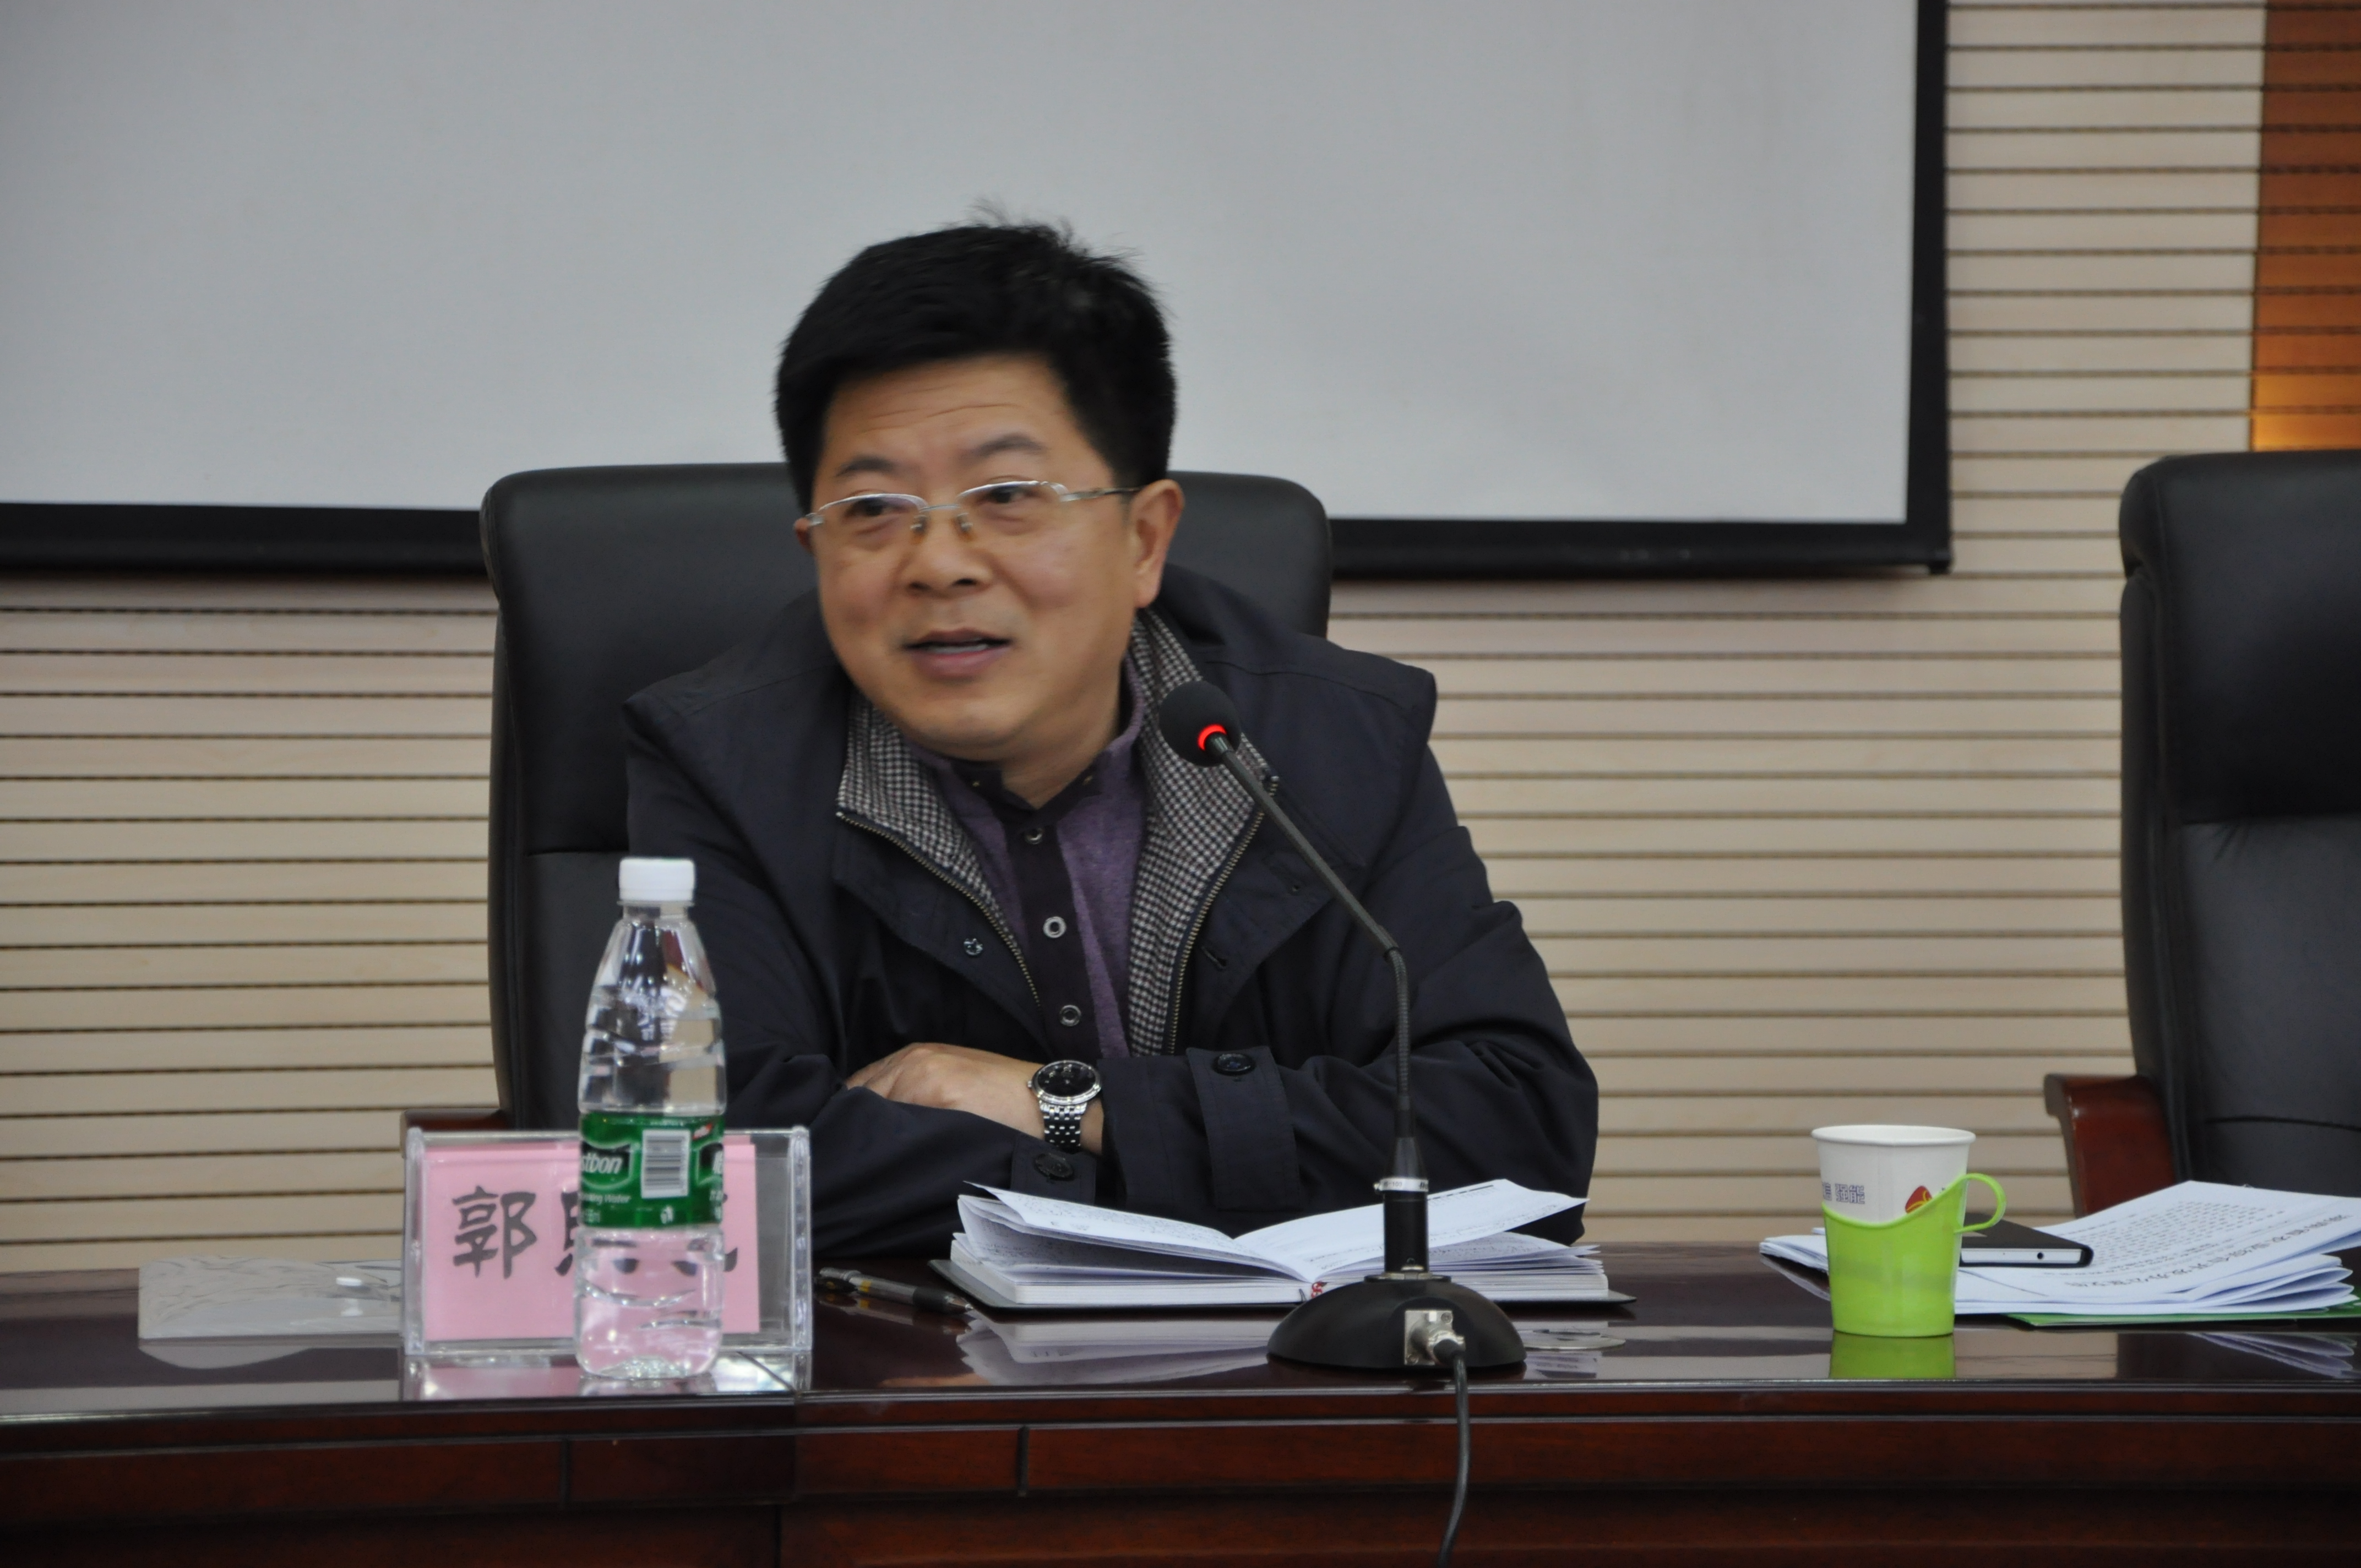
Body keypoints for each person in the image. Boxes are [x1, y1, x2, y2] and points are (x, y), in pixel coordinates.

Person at [625, 220, 1597, 1255]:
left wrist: (1062, 1105)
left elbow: (1515, 1132)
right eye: (872, 508)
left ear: (1144, 539)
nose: (939, 562)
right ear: (814, 549)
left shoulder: (1332, 740)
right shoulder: (726, 763)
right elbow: (712, 1165)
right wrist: (1219, 1163)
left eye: (1007, 498)